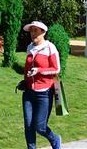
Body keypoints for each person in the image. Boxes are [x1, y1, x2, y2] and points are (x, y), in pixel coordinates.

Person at [21, 20, 61, 149]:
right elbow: (27, 68)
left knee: (40, 127)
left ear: (43, 33)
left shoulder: (50, 48)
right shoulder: (30, 47)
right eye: (31, 31)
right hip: (28, 93)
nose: (32, 34)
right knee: (28, 126)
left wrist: (39, 70)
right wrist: (25, 81)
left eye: (35, 31)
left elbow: (56, 69)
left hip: (44, 93)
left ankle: (55, 139)